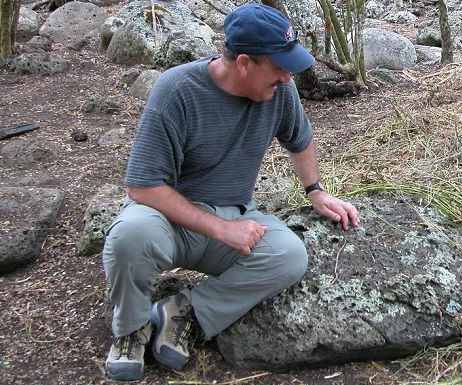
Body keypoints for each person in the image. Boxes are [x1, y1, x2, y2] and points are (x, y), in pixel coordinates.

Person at [101, 3, 360, 381]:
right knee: (129, 235)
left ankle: (184, 311)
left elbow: (300, 140)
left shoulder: (280, 93)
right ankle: (131, 328)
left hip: (234, 213)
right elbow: (142, 186)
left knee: (288, 256)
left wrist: (316, 191)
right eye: (278, 67)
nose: (288, 77)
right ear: (243, 63)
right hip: (168, 218)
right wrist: (221, 229)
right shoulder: (177, 89)